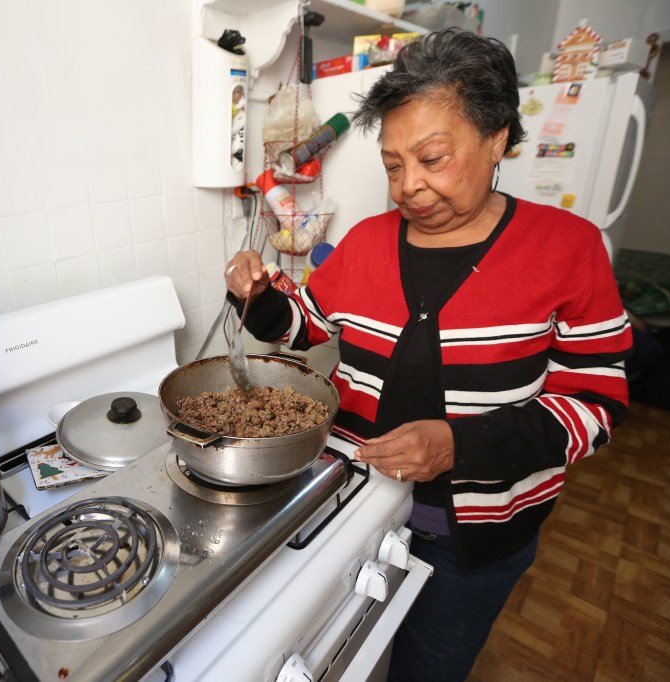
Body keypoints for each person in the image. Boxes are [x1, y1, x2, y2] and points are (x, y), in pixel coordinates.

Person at [224, 28, 632, 681]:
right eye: (391, 164)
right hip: (355, 507)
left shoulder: (570, 248)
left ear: (497, 137)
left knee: (428, 667)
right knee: (346, 651)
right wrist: (259, 293)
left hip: (474, 543)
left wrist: (458, 447)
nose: (407, 186)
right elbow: (305, 326)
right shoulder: (364, 242)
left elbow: (596, 405)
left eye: (432, 158)